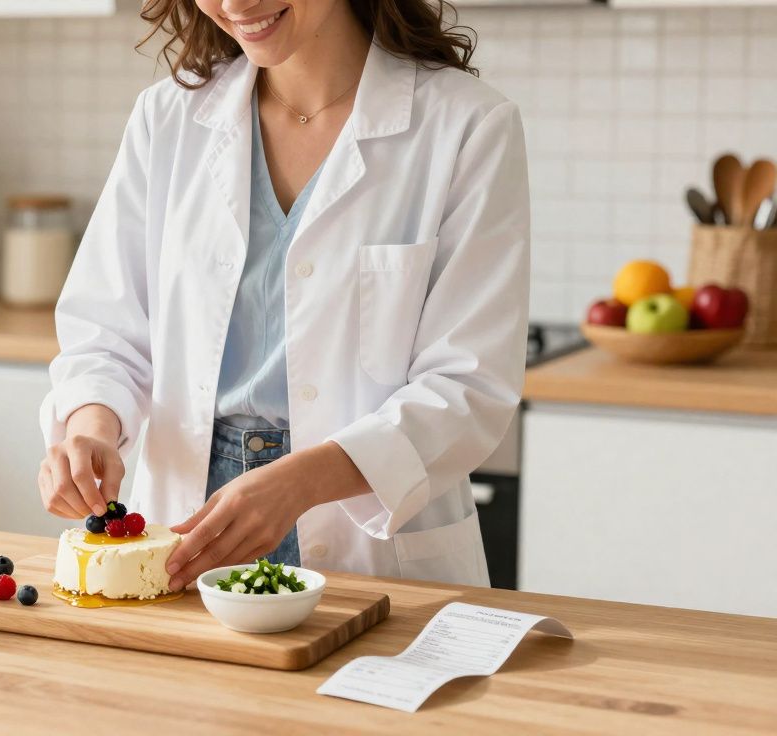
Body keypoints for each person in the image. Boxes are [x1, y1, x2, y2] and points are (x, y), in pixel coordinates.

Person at [37, 0, 529, 591]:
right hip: (187, 527)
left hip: (367, 528)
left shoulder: (466, 126)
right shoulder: (167, 119)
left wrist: (299, 482)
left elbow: (467, 386)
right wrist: (90, 427)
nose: (235, 4)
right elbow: (109, 332)